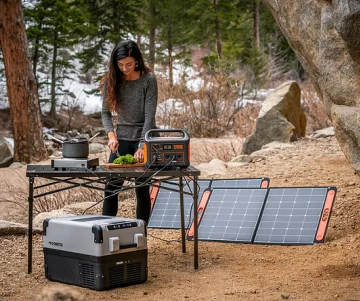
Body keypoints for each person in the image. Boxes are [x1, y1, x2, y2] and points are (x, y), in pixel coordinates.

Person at [100, 40, 158, 224]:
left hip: (145, 137)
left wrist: (142, 145)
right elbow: (105, 112)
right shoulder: (112, 79)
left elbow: (150, 117)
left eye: (129, 64)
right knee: (111, 187)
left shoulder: (148, 79)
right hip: (122, 137)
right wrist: (111, 135)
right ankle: (105, 233)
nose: (124, 68)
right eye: (120, 64)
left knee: (142, 187)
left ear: (137, 61)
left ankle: (142, 235)